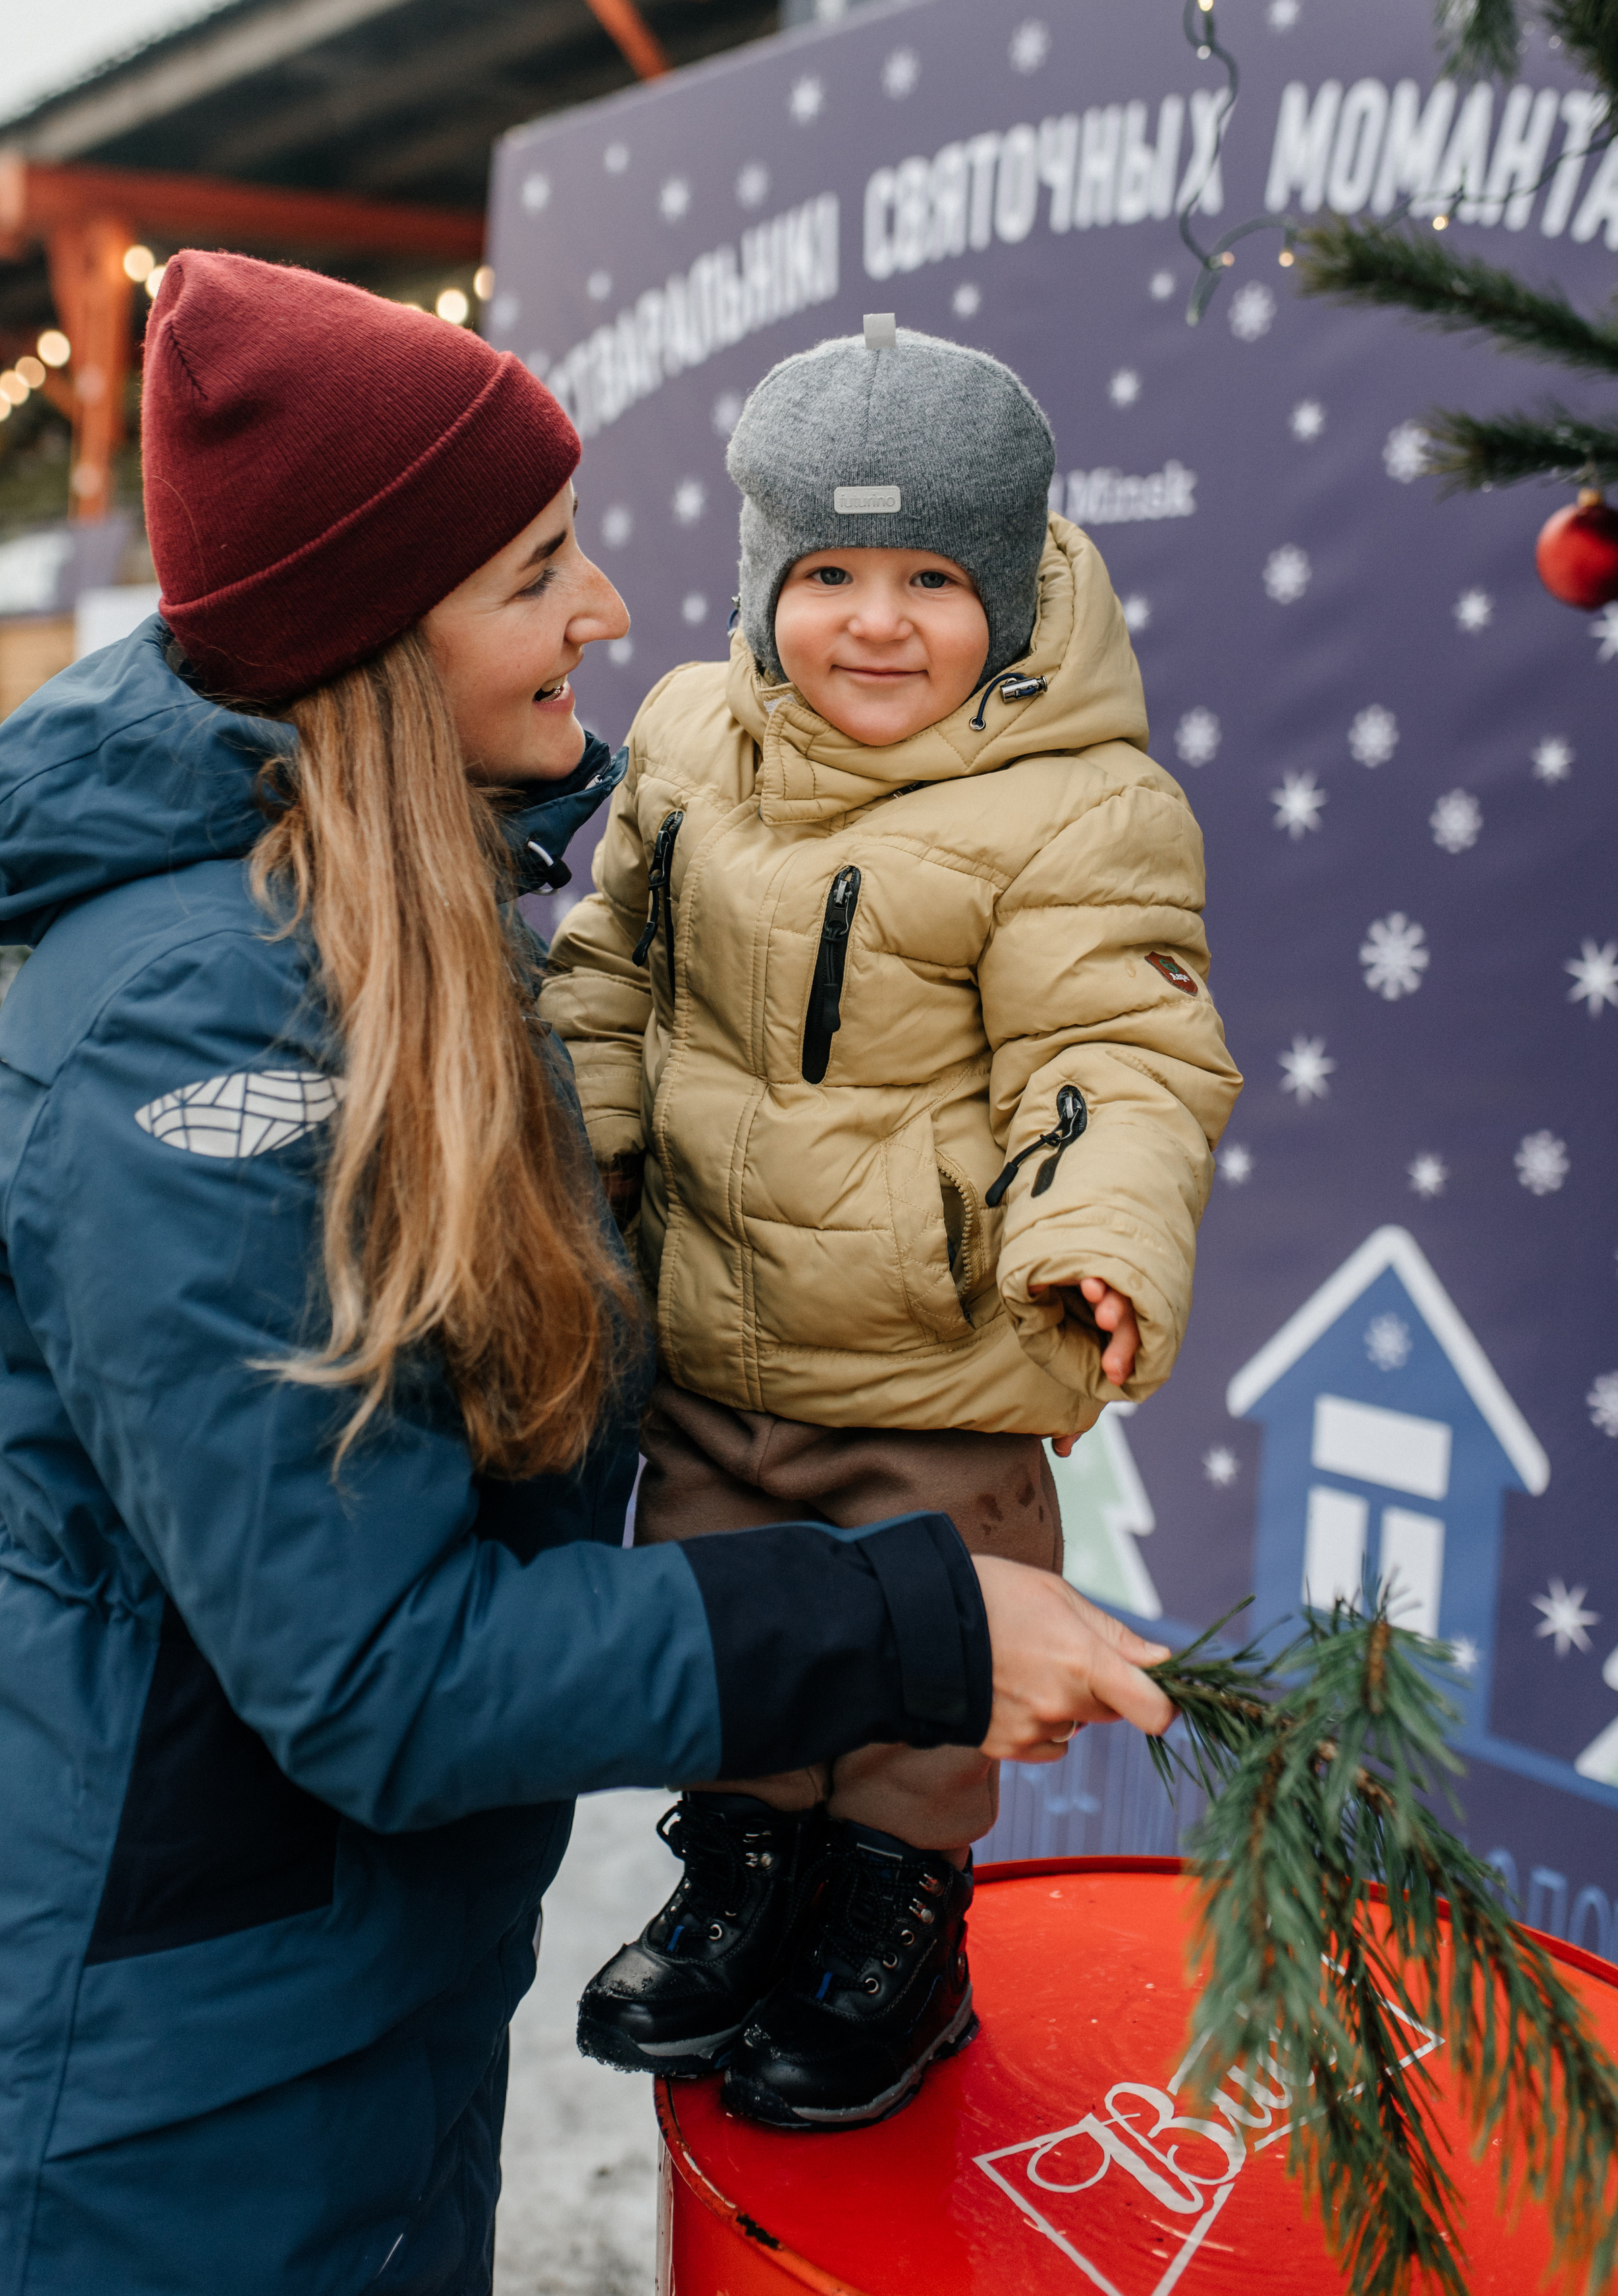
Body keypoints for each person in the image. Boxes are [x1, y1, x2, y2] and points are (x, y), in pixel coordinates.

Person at [0, 258, 1176, 2295]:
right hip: (144, 2084)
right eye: (538, 571)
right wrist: (902, 1622)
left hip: (323, 2003)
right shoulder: (197, 1043)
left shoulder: (397, 902)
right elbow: (379, 1671)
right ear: (375, 640)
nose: (611, 611)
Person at [544, 321, 1242, 2132]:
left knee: (921, 1675)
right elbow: (614, 967)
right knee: (731, 1613)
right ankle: (744, 1877)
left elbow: (1121, 1045)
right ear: (763, 578)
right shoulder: (691, 742)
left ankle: (892, 1924)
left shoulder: (1076, 805)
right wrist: (581, 1153)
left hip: (928, 1362)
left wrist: (1094, 1228)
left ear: (1008, 591)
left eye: (931, 578)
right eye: (830, 573)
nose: (874, 621)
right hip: (710, 1338)